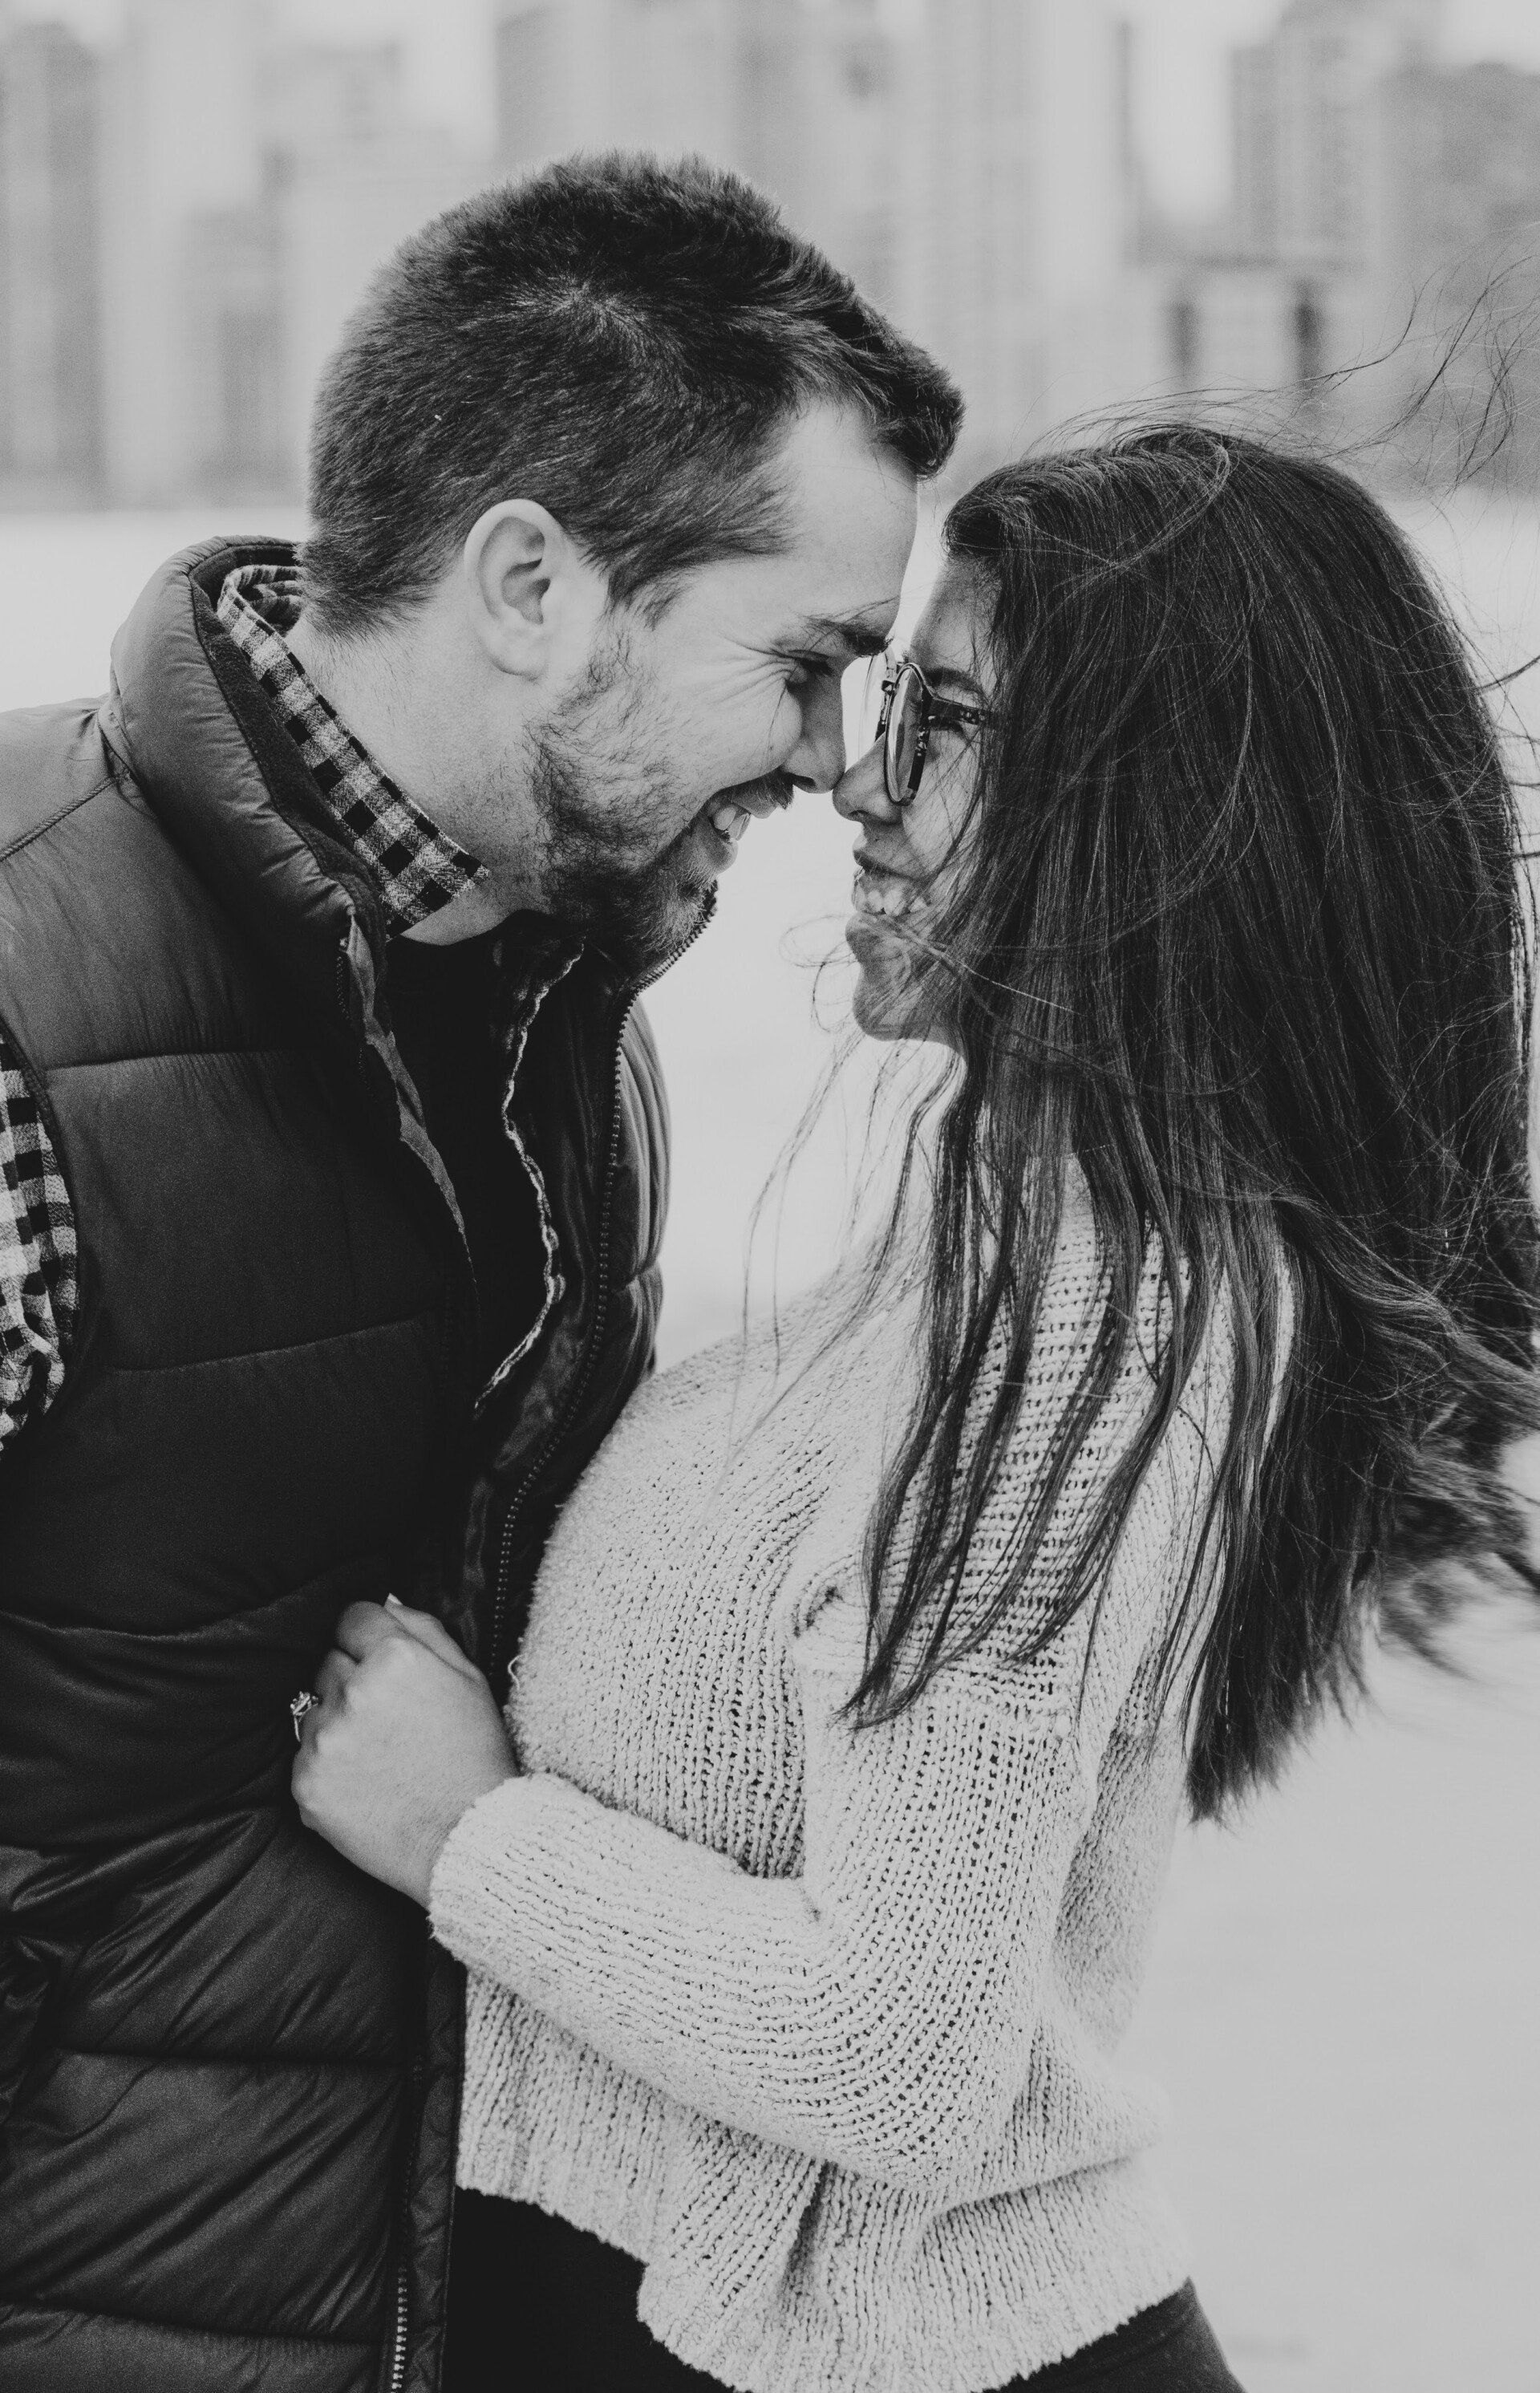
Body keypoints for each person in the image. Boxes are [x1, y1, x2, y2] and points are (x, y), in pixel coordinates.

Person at [294, 427, 1540, 2393]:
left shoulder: (1098, 1305)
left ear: (1141, 811)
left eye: (943, 722)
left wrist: (463, 1830)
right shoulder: (996, 1231)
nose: (856, 790)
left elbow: (901, 2051)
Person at [0, 157, 960, 2388]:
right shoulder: (29, 1005)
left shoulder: (547, 988)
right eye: (806, 663)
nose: (834, 768)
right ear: (534, 581)